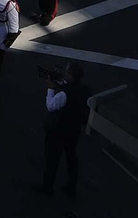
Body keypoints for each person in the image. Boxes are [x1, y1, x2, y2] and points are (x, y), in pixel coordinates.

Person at [38, 62, 90, 198]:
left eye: (66, 72)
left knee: (52, 160)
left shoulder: (64, 95)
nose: (64, 74)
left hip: (57, 131)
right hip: (73, 130)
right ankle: (71, 186)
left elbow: (51, 106)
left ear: (71, 75)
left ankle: (47, 187)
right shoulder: (84, 89)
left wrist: (50, 88)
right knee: (71, 158)